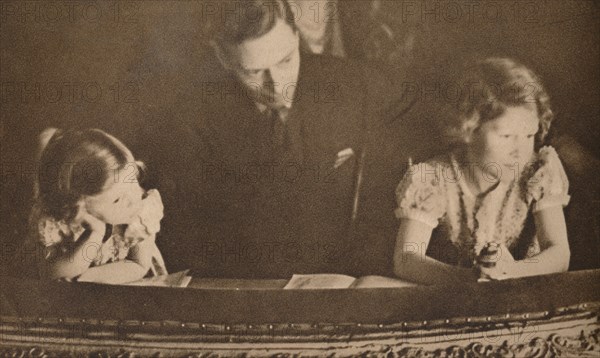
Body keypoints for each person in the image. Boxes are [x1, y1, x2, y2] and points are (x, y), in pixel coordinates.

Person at [146, 0, 417, 278]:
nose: (277, 85)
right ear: (223, 57)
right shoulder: (190, 118)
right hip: (246, 288)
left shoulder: (357, 85)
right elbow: (185, 238)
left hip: (348, 281)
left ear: (296, 36)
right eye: (255, 72)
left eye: (286, 60)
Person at [393, 57, 571, 285]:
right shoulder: (432, 178)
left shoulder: (538, 173)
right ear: (469, 129)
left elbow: (559, 253)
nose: (520, 151)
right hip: (449, 293)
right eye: (506, 136)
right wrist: (470, 278)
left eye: (529, 136)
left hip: (521, 297)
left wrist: (510, 272)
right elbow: (407, 258)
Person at [27, 128, 167, 284]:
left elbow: (139, 264)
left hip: (125, 283)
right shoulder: (57, 223)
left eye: (133, 182)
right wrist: (95, 234)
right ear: (81, 207)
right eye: (117, 200)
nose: (132, 201)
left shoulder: (141, 209)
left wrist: (92, 277)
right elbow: (53, 275)